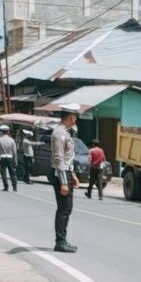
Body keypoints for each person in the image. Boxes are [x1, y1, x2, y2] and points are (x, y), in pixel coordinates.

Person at [50, 104, 82, 253]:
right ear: (71, 117)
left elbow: (68, 158)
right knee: (64, 209)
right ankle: (60, 242)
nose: (75, 120)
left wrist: (73, 175)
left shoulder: (64, 132)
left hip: (66, 173)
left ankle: (62, 240)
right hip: (60, 174)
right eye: (75, 117)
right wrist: (64, 182)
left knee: (66, 209)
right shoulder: (59, 134)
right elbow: (59, 159)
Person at [0, 125, 18, 192]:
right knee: (12, 173)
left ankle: (6, 187)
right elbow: (14, 151)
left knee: (3, 173)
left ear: (1, 132)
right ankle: (14, 187)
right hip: (10, 157)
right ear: (8, 132)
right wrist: (15, 159)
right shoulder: (12, 140)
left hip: (3, 157)